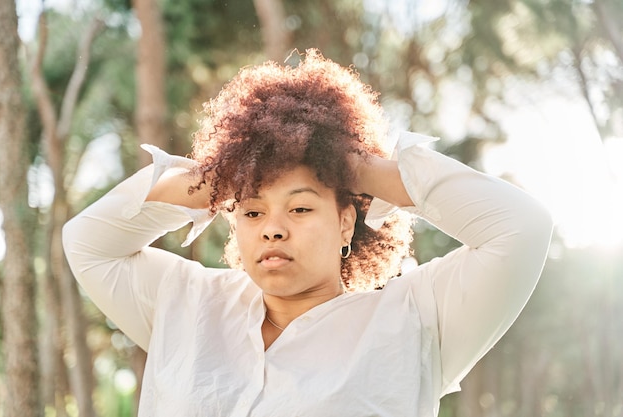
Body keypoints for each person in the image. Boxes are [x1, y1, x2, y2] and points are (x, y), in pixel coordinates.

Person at [63, 49, 553, 417]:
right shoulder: (184, 300)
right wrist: (214, 179)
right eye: (252, 213)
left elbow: (520, 228)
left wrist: (348, 167)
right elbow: (86, 243)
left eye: (299, 207)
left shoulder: (417, 320)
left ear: (346, 221)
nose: (273, 229)